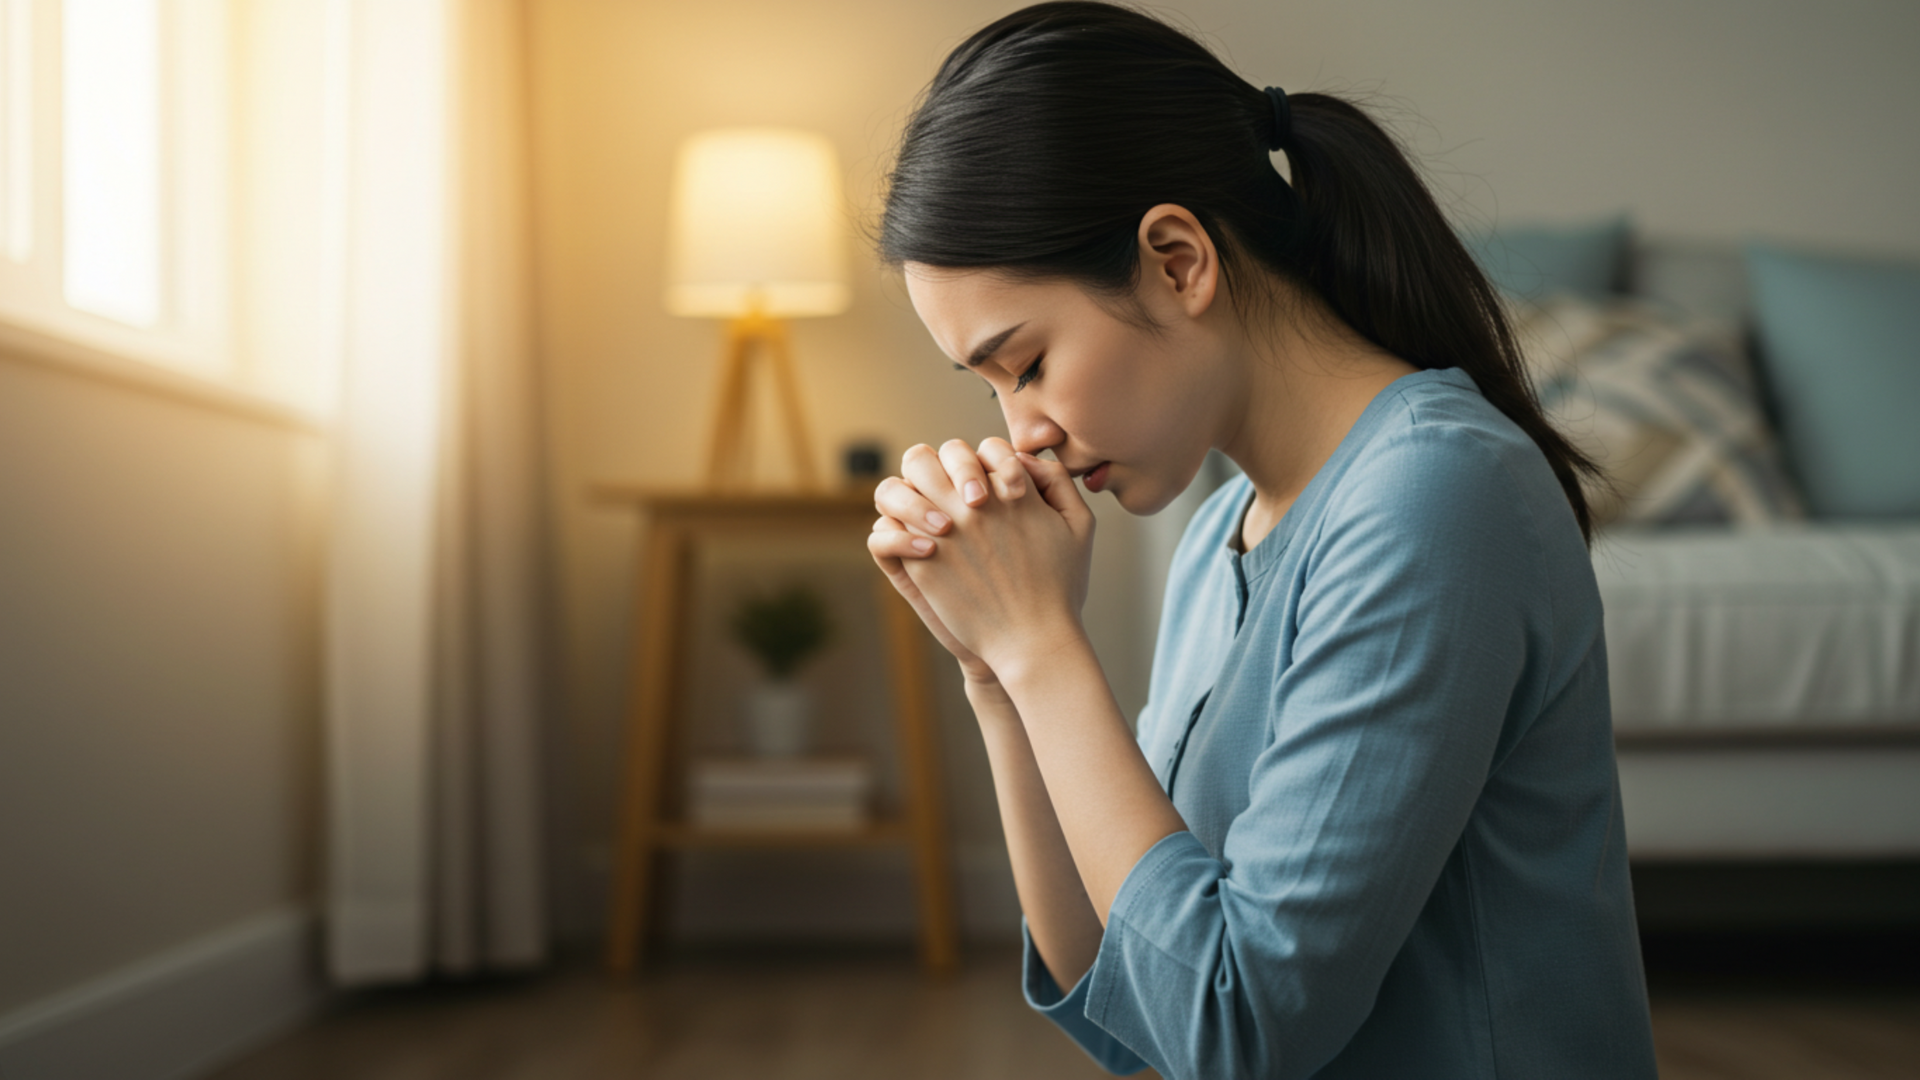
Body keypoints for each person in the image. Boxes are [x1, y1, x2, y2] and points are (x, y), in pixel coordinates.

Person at [863, 3, 1659, 1077]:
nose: (1024, 432)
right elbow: (1125, 998)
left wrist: (1044, 651)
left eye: (1031, 363)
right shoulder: (1217, 539)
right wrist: (996, 675)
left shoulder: (1434, 494)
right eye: (993, 386)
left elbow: (1237, 1031)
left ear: (1178, 260)